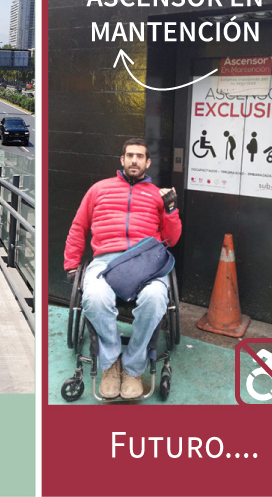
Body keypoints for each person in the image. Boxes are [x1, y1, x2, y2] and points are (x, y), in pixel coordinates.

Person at [64, 139, 181, 400]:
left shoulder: (156, 195)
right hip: (105, 260)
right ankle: (111, 363)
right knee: (93, 298)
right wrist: (72, 264)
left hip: (144, 261)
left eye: (140, 156)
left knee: (155, 299)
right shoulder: (99, 189)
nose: (134, 160)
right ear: (122, 160)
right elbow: (78, 227)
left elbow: (171, 240)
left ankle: (133, 367)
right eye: (130, 155)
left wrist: (171, 210)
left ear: (147, 162)